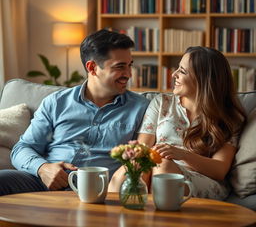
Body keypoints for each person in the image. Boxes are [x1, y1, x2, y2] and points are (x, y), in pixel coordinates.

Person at [0, 29, 149, 195]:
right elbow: (22, 147)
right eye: (120, 67)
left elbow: (143, 156)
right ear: (92, 67)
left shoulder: (141, 107)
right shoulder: (56, 102)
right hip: (44, 182)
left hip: (98, 189)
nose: (128, 74)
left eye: (130, 65)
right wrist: (42, 168)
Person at [109, 46, 246, 200]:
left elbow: (219, 169)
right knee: (134, 167)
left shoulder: (229, 117)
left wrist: (182, 154)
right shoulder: (162, 103)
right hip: (157, 167)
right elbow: (143, 148)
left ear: (204, 79)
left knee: (164, 166)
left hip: (201, 178)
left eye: (182, 71)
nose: (174, 75)